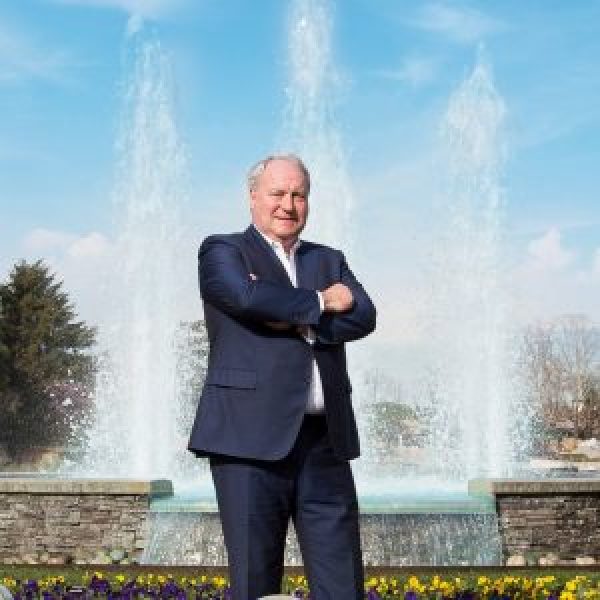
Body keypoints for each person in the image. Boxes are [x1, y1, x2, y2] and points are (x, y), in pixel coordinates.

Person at [188, 154, 376, 600]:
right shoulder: (223, 250)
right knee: (254, 582)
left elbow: (364, 317)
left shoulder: (329, 259)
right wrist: (322, 303)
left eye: (298, 194)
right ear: (253, 196)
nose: (288, 205)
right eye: (277, 193)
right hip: (248, 442)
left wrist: (286, 313)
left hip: (326, 444)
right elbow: (244, 296)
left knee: (343, 586)